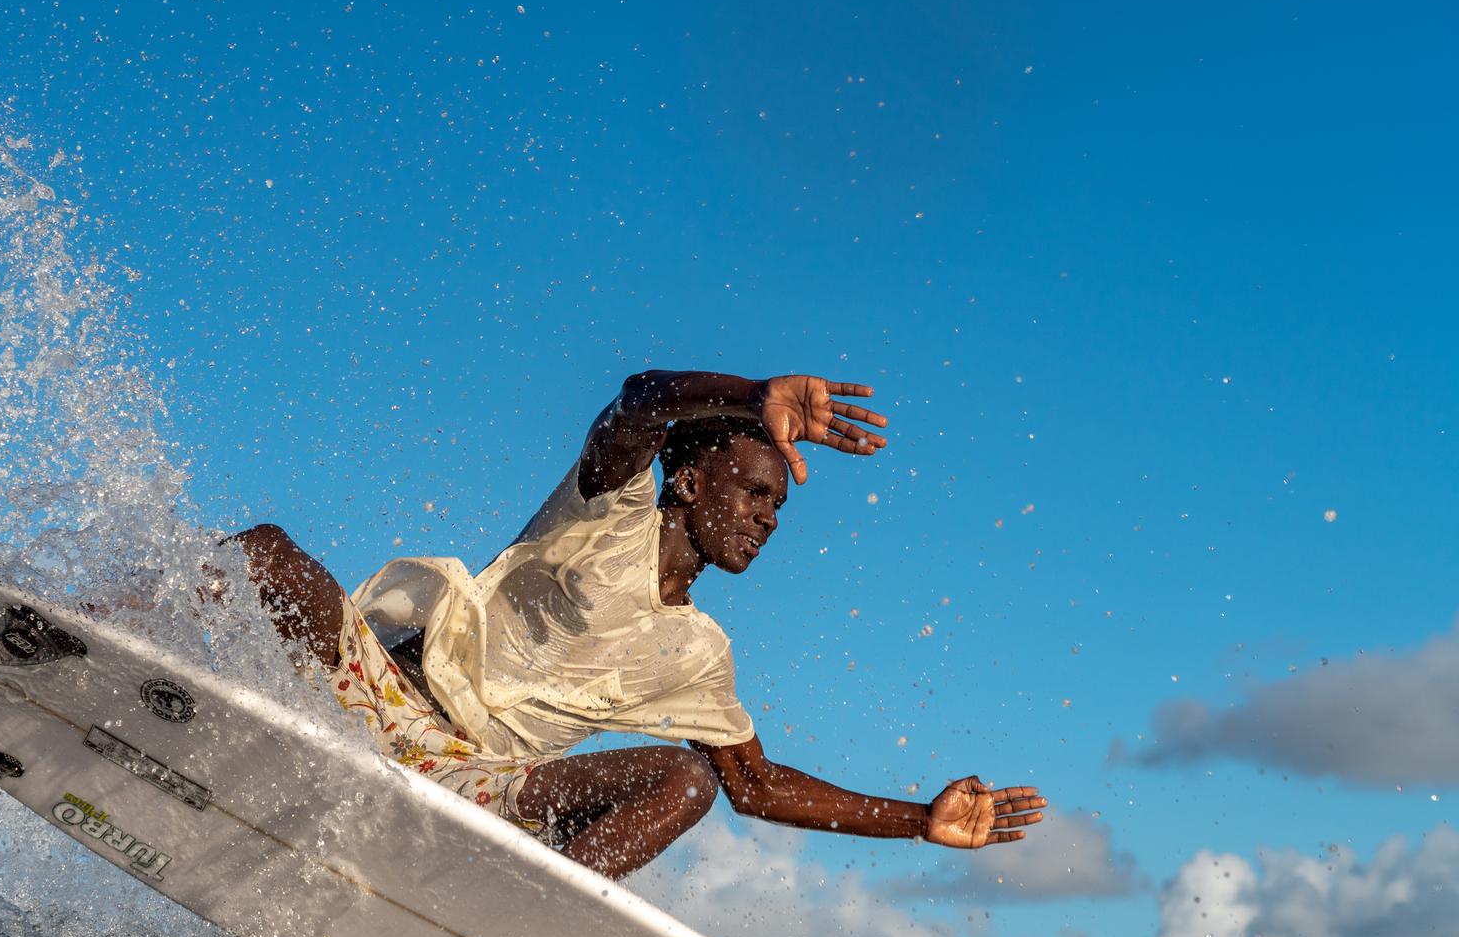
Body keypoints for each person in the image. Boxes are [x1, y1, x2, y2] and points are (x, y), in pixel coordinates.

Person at [222, 370, 1046, 878]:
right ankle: (146, 657)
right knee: (265, 552)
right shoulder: (608, 509)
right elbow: (639, 403)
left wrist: (918, 821)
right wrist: (750, 395)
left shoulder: (701, 654)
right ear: (688, 483)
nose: (768, 519)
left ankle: (526, 915)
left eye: (778, 508)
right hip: (377, 692)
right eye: (754, 493)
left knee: (687, 782)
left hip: (480, 784)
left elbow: (755, 787)